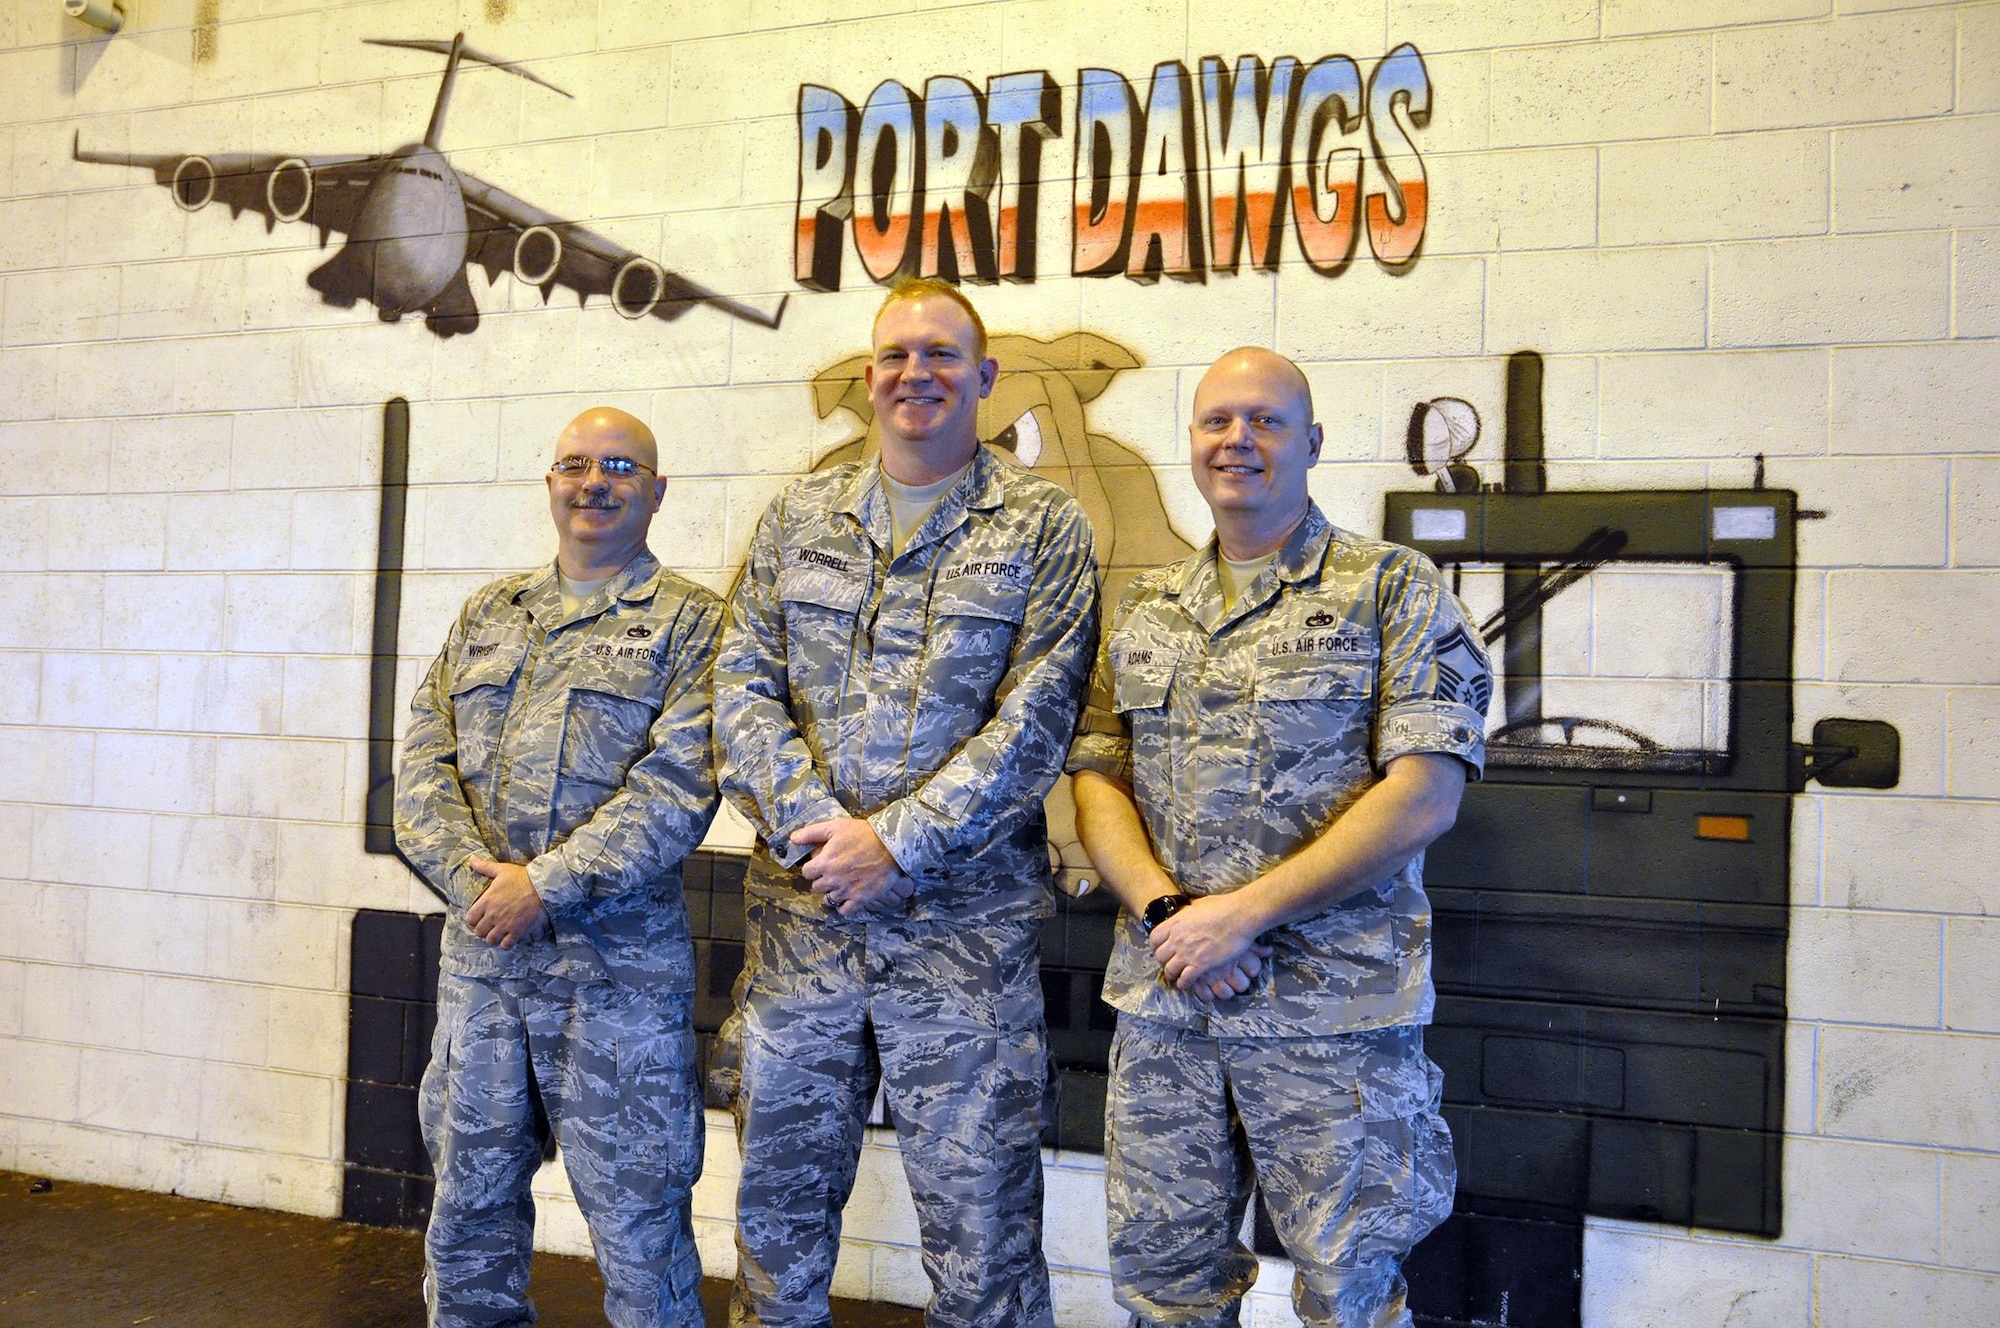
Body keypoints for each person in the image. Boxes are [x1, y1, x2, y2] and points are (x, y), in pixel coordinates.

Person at [1067, 348, 1491, 1328]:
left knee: (1347, 1292)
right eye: (1216, 421)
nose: (1236, 441)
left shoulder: (1392, 589)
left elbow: (1424, 794)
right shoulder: (1143, 607)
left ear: (1310, 442)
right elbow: (1098, 779)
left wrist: (1240, 917)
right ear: (1192, 443)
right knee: (1164, 1288)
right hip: (1169, 1005)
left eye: (1263, 420)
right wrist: (1173, 915)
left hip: (1331, 1013)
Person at [713, 279, 1098, 1328]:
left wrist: (896, 842)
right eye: (895, 353)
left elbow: (1041, 711)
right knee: (778, 1232)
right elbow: (739, 684)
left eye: (940, 354)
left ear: (980, 378)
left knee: (984, 1245)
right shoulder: (798, 517)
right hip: (803, 934)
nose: (913, 372)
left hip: (962, 948)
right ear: (872, 375)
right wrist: (820, 834)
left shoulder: (1041, 525)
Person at [396, 406, 722, 1328]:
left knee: (640, 1236)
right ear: (549, 483)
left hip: (617, 984)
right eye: (576, 463)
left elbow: (677, 789)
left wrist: (547, 885)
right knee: (467, 1222)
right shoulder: (489, 615)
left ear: (656, 492)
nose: (596, 481)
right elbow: (421, 768)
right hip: (484, 973)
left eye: (621, 466)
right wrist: (482, 889)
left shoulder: (695, 626)